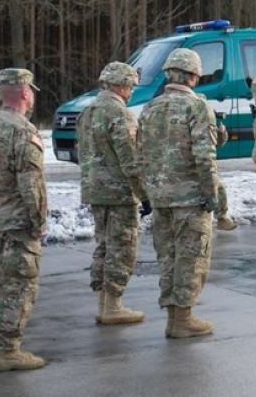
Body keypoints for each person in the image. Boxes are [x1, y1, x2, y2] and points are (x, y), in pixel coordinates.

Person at [138, 48, 219, 339]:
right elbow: (204, 157)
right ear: (194, 76)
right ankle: (183, 318)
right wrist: (212, 196)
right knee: (192, 258)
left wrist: (146, 193)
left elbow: (140, 157)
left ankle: (174, 317)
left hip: (160, 198)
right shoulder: (197, 106)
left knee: (168, 257)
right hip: (189, 198)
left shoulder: (150, 108)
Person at [0, 68, 47, 371]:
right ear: (24, 93)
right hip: (16, 223)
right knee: (19, 285)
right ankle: (6, 350)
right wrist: (39, 220)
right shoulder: (22, 130)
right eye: (31, 91)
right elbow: (31, 183)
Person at [76, 62, 148, 325]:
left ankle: (103, 302)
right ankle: (113, 306)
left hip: (94, 190)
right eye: (130, 86)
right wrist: (144, 194)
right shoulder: (120, 114)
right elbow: (131, 161)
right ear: (119, 85)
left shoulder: (87, 112)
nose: (131, 92)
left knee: (104, 245)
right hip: (118, 193)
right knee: (122, 247)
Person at [213, 115, 236, 231]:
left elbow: (218, 142)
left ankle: (221, 219)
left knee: (218, 188)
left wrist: (221, 132)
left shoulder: (200, 122)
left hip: (200, 166)